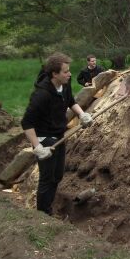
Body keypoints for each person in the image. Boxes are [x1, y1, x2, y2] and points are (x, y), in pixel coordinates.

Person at [21, 52, 93, 215]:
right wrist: (38, 147)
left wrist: (82, 115)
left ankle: (49, 207)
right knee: (47, 179)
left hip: (59, 134)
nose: (70, 74)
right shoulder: (41, 95)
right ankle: (42, 214)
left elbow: (71, 102)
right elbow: (26, 123)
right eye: (66, 71)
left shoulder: (64, 85)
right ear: (55, 74)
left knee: (57, 175)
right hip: (44, 138)